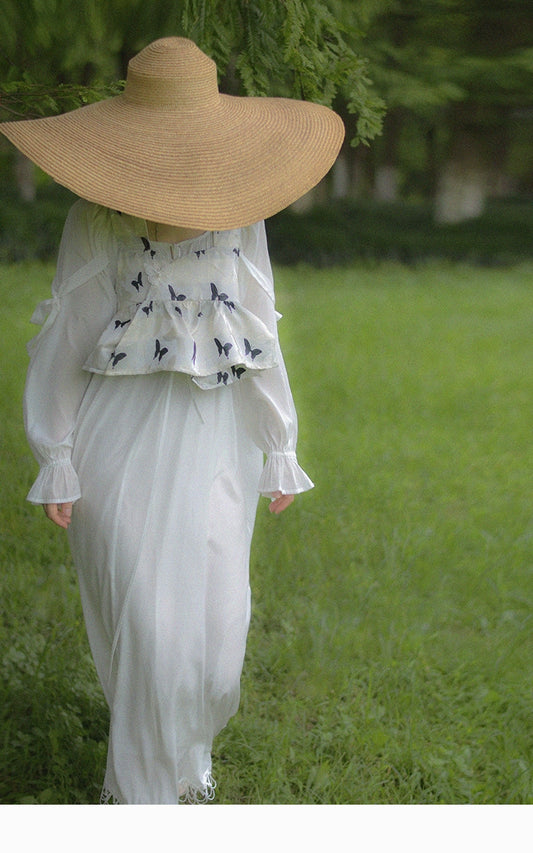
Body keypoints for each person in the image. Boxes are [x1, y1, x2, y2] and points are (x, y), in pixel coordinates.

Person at [0, 37, 344, 804]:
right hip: (117, 435)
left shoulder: (240, 219)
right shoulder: (96, 220)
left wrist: (278, 443)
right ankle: (141, 795)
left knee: (216, 635)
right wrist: (56, 452)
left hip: (214, 436)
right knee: (149, 631)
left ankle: (188, 756)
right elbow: (65, 334)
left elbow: (258, 325)